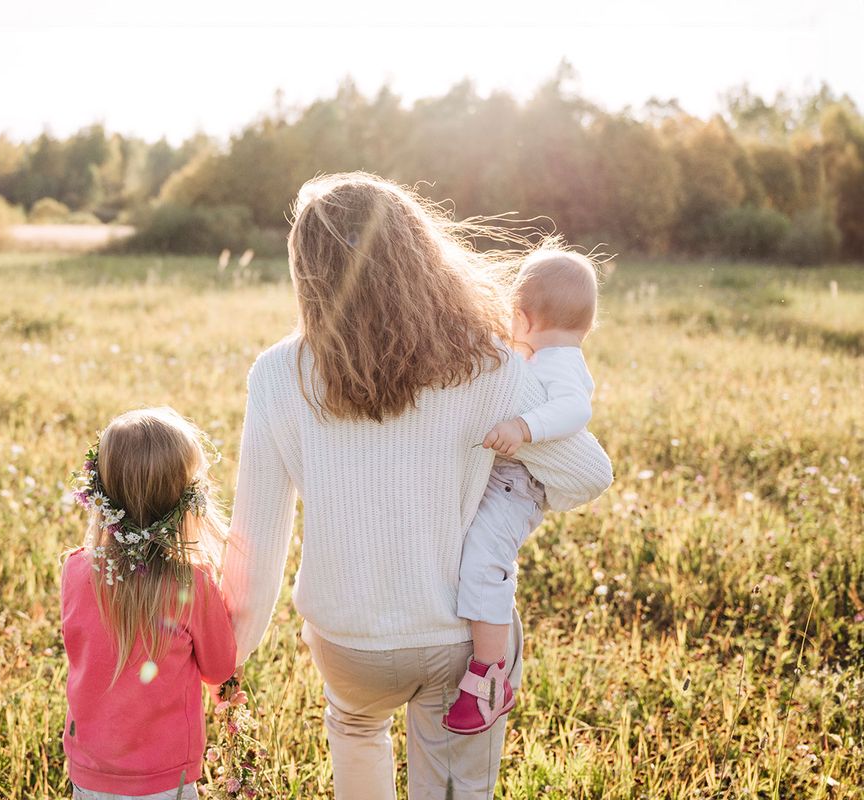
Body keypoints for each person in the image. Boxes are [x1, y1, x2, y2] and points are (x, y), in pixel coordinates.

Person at [221, 173, 614, 799]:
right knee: (457, 788)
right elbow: (588, 474)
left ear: (308, 275)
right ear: (420, 256)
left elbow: (256, 541)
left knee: (354, 726)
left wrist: (229, 657)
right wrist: (503, 505)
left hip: (347, 642)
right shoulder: (487, 360)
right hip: (459, 636)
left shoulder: (276, 374)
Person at [444, 250, 600, 736]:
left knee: (484, 561)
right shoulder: (541, 356)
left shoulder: (563, 364)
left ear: (524, 318)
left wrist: (524, 426)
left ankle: (490, 677)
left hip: (519, 486)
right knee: (470, 553)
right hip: (506, 477)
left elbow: (575, 410)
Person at [61, 407, 236, 800]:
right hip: (166, 776)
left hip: (90, 770)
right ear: (187, 500)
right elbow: (220, 667)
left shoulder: (76, 571)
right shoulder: (192, 585)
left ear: (102, 493)